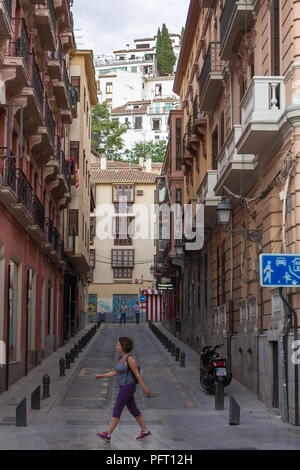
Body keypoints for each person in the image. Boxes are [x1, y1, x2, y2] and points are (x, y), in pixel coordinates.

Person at [95, 337, 151, 442]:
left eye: (118, 345)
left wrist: (145, 388)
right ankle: (145, 431)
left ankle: (107, 433)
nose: (116, 347)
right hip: (124, 387)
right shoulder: (120, 358)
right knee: (133, 409)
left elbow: (137, 375)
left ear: (123, 346)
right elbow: (116, 372)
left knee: (117, 408)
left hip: (128, 387)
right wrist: (102, 375)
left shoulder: (130, 359)